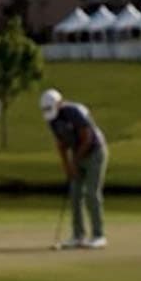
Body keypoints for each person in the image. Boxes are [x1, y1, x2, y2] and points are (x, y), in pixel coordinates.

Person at [41, 86, 108, 249]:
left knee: (91, 193)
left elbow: (87, 137)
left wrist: (75, 160)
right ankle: (78, 236)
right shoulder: (52, 119)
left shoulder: (73, 111)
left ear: (59, 103)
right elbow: (61, 145)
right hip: (77, 154)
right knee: (75, 194)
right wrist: (67, 166)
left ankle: (99, 236)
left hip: (94, 152)